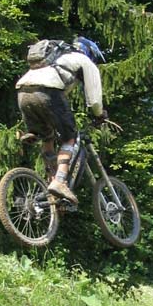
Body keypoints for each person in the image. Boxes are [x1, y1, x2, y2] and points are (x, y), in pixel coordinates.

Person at [15, 36, 107, 205]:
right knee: (69, 138)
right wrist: (99, 115)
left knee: (47, 137)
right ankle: (60, 181)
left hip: (22, 93)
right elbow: (94, 100)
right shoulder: (85, 61)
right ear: (91, 53)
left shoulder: (54, 59)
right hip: (48, 92)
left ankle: (52, 182)